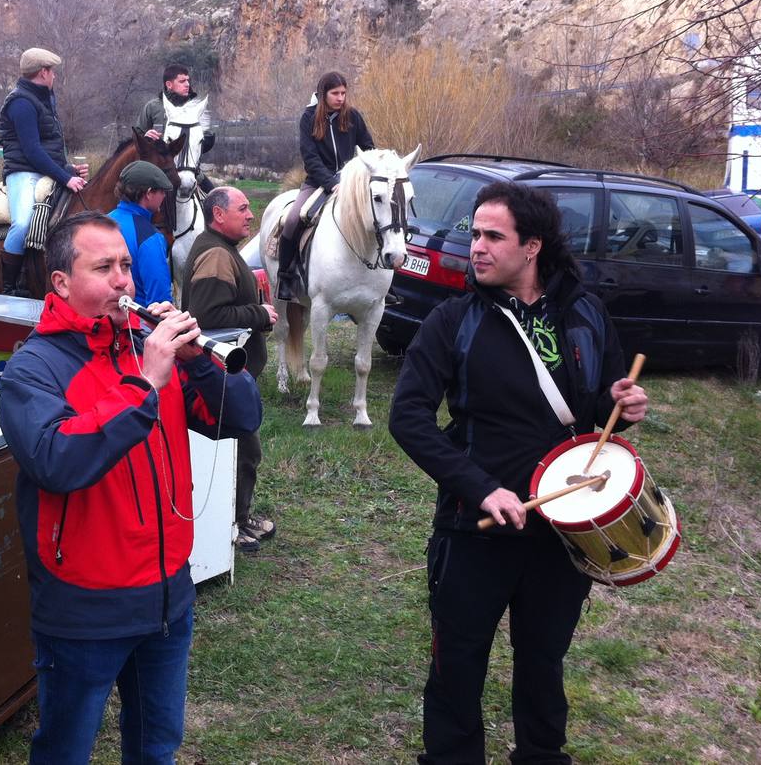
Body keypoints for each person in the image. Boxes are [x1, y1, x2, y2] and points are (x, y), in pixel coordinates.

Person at [389, 182, 649, 764]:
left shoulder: (585, 313)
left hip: (563, 531)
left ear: (532, 246)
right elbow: (408, 418)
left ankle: (541, 755)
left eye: (492, 236)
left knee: (543, 660)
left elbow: (601, 412)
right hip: (473, 528)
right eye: (473, 234)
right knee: (456, 663)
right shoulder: (452, 320)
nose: (475, 247)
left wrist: (623, 409)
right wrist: (479, 488)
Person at [0, 211, 262, 765]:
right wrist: (146, 384)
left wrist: (202, 364)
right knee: (65, 751)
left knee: (157, 747)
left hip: (168, 594)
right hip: (84, 608)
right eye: (104, 268)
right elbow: (56, 460)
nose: (124, 280)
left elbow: (242, 416)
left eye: (125, 265)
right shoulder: (33, 368)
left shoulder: (149, 348)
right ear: (62, 283)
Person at [181, 187, 279, 553]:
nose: (251, 214)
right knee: (242, 448)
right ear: (218, 215)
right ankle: (232, 523)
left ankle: (237, 515)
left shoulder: (222, 250)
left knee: (241, 448)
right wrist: (258, 314)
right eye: (243, 208)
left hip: (228, 377)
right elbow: (207, 317)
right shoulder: (217, 255)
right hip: (219, 377)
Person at [276, 71, 376, 300]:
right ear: (324, 94)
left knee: (377, 218)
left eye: (343, 93)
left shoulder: (353, 117)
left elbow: (368, 149)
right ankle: (286, 277)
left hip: (352, 182)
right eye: (335, 93)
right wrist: (332, 183)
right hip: (317, 182)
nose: (340, 98)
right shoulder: (309, 118)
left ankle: (385, 281)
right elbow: (310, 159)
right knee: (292, 220)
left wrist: (362, 175)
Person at [0, 47, 90, 296]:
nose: (55, 77)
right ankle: (8, 286)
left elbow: (48, 149)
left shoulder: (44, 98)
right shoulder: (21, 103)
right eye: (52, 72)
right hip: (23, 172)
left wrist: (68, 168)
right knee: (22, 222)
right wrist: (65, 177)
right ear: (43, 73)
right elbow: (32, 151)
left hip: (45, 170)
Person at [108, 159, 175, 307]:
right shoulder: (150, 237)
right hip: (135, 325)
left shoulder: (102, 222)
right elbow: (160, 301)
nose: (164, 196)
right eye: (162, 191)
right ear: (149, 193)